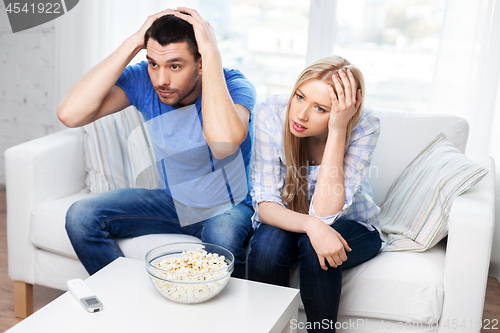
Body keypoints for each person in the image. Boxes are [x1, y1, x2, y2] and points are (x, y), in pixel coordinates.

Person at [58, 8, 256, 278]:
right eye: (154, 63)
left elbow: (223, 146)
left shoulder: (234, 85)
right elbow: (70, 114)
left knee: (222, 238)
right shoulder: (144, 80)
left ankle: (218, 320)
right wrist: (134, 42)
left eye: (175, 66)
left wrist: (211, 51)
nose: (161, 80)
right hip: (171, 202)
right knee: (81, 217)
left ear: (200, 63)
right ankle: (126, 301)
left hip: (226, 207)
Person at [247, 55, 383, 332]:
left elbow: (325, 214)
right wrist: (310, 225)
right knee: (265, 248)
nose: (300, 114)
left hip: (355, 224)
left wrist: (338, 129)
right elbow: (266, 205)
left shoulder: (365, 125)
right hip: (291, 220)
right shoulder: (272, 111)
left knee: (314, 247)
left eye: (320, 108)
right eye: (299, 97)